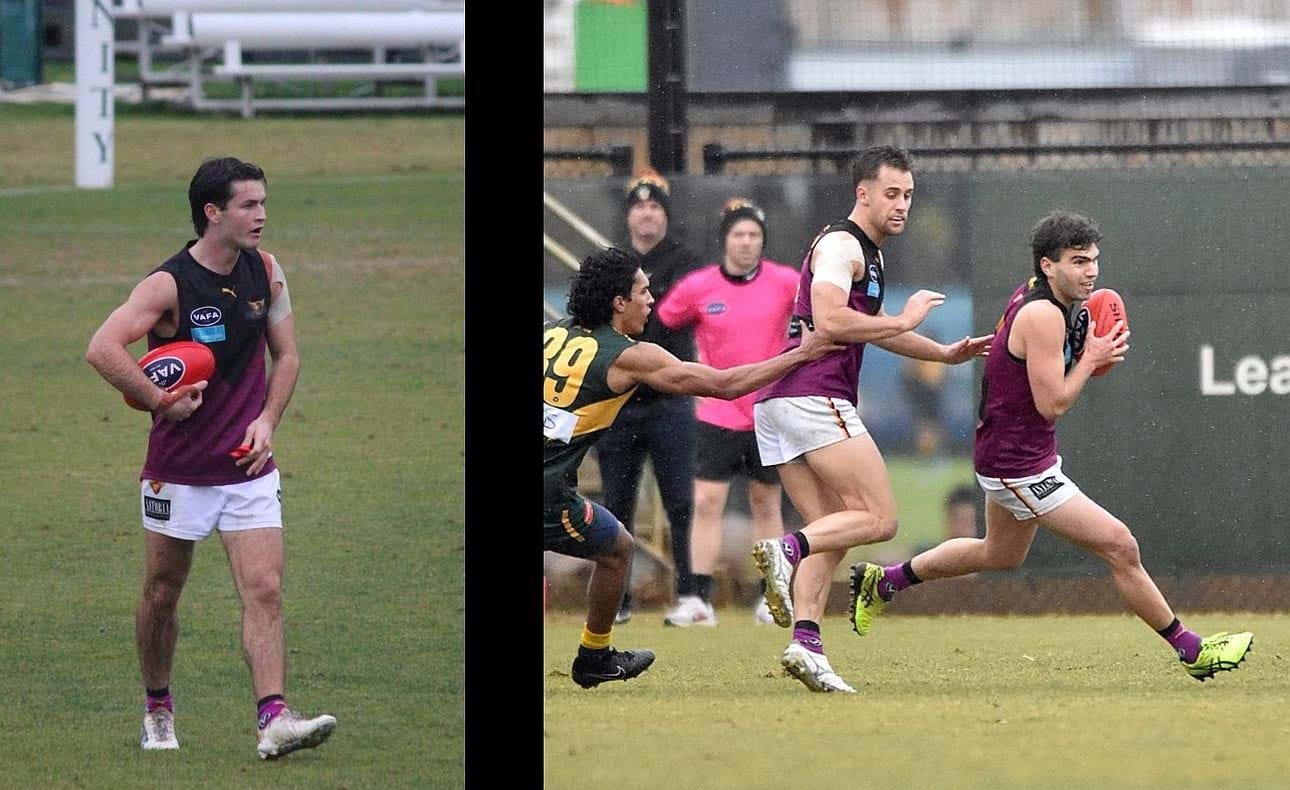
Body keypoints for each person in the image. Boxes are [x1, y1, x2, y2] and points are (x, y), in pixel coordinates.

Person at [849, 210, 1254, 682]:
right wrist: (1090, 359)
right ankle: (1193, 651)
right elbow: (1052, 403)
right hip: (1018, 466)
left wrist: (1083, 353)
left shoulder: (1045, 297)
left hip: (1012, 452)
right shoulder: (1042, 314)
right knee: (1121, 546)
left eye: (1094, 261)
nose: (1091, 272)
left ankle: (885, 581)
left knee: (999, 555)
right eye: (1078, 261)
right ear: (1048, 266)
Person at [85, 157, 336, 758]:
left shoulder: (268, 272)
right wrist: (158, 401)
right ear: (212, 213)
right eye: (249, 205)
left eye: (264, 203)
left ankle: (273, 719)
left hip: (247, 468)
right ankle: (157, 706)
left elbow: (289, 357)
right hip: (178, 473)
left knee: (265, 589)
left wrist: (267, 421)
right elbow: (102, 347)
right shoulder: (167, 285)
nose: (262, 215)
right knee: (162, 593)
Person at [750, 145, 992, 693]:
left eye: (908, 194)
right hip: (814, 398)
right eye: (891, 193)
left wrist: (943, 352)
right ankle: (784, 551)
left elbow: (875, 323)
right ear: (863, 193)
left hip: (779, 405)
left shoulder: (866, 253)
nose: (902, 204)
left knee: (832, 533)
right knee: (881, 521)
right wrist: (904, 318)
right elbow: (834, 319)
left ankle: (806, 643)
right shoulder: (842, 244)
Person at [543, 246, 840, 688]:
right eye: (643, 292)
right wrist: (801, 353)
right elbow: (723, 384)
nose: (651, 301)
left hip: (553, 485)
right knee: (614, 550)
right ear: (618, 302)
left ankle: (595, 656)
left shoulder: (554, 333)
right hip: (547, 492)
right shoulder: (628, 355)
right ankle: (593, 658)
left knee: (618, 545)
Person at [654, 198, 799, 626]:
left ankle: (770, 597)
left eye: (754, 235)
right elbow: (662, 323)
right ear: (725, 241)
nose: (747, 242)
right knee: (706, 501)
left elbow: (819, 312)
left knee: (766, 502)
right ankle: (698, 599)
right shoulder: (699, 287)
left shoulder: (785, 281)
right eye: (739, 234)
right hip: (715, 413)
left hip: (769, 413)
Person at [595, 169, 704, 625]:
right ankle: (616, 601)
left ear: (666, 215)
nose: (646, 213)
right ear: (628, 215)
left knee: (680, 499)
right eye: (639, 206)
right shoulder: (610, 264)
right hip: (618, 402)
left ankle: (690, 594)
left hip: (670, 399)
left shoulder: (688, 262)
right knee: (616, 502)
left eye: (655, 206)